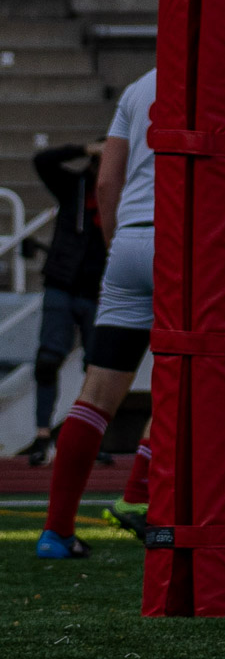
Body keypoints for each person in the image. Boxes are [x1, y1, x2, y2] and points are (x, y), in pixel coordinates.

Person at [37, 71, 156, 559]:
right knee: (190, 381)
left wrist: (116, 246)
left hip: (129, 241)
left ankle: (56, 532)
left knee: (96, 395)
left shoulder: (139, 86)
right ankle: (140, 497)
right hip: (185, 241)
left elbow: (108, 180)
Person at [22, 141, 106, 468]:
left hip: (98, 290)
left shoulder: (126, 192)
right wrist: (85, 149)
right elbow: (43, 161)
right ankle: (42, 436)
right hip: (62, 283)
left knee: (99, 368)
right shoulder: (74, 187)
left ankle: (91, 438)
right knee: (48, 359)